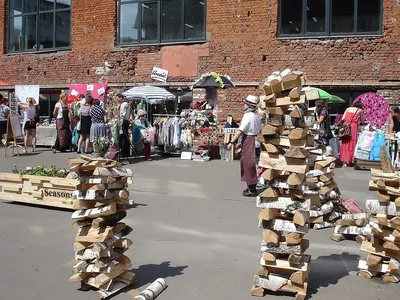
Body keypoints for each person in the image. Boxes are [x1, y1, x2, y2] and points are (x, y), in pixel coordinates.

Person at [227, 95, 262, 197]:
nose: (243, 105)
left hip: (248, 140)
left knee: (248, 164)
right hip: (255, 140)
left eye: (245, 103)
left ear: (248, 105)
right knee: (251, 164)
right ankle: (251, 186)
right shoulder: (256, 115)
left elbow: (240, 131)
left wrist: (232, 142)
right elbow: (260, 129)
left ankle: (252, 188)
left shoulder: (247, 116)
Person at [339, 101, 364, 167]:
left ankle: (344, 161)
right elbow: (362, 120)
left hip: (346, 126)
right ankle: (349, 161)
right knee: (352, 143)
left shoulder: (348, 108)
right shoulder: (360, 110)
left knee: (345, 143)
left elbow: (343, 118)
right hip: (353, 127)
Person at [117, 93, 134, 158]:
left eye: (118, 98)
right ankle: (125, 151)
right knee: (125, 137)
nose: (117, 100)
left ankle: (124, 151)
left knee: (123, 137)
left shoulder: (124, 105)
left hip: (124, 121)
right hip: (125, 121)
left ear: (121, 98)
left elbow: (123, 115)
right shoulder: (126, 104)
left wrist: (121, 122)